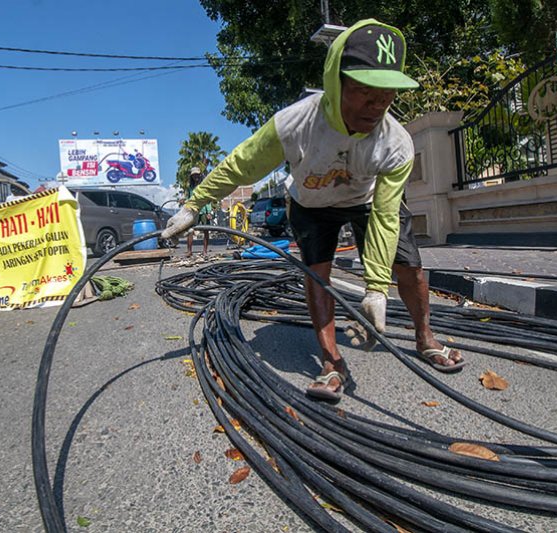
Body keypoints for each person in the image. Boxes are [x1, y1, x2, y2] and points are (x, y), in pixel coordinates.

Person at [163, 19, 465, 401]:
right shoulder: (297, 123)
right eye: (365, 92)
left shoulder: (396, 143)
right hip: (312, 204)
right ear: (336, 82)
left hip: (369, 201)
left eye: (388, 94)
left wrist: (375, 289)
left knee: (411, 267)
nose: (377, 105)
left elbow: (387, 216)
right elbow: (243, 164)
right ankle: (331, 361)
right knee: (317, 276)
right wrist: (194, 204)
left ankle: (425, 337)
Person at [181, 164, 212, 257]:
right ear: (192, 176)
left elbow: (207, 199)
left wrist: (209, 212)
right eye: (194, 175)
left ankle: (205, 251)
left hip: (204, 211)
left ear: (200, 175)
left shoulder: (204, 186)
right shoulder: (190, 187)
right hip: (194, 211)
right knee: (190, 231)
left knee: (206, 230)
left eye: (197, 175)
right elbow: (189, 199)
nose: (196, 177)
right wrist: (184, 201)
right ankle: (189, 251)